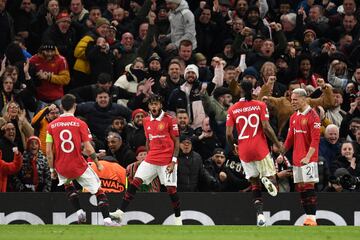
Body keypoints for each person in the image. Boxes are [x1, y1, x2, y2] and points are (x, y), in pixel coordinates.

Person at [46, 94, 119, 226]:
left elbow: (49, 152)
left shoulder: (51, 126)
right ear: (75, 106)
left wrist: (52, 170)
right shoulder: (80, 124)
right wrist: (97, 163)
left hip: (61, 165)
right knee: (98, 190)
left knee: (68, 185)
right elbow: (88, 148)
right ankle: (107, 220)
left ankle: (79, 211)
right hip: (78, 164)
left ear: (61, 107)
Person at [110, 94, 182, 225]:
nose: (154, 106)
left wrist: (173, 161)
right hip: (151, 159)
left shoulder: (170, 120)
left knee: (171, 190)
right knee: (135, 182)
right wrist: (149, 156)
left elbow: (177, 142)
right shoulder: (146, 120)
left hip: (167, 161)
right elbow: (148, 140)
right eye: (151, 104)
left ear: (160, 105)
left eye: (156, 104)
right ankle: (120, 213)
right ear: (148, 106)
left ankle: (178, 219)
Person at [226, 80, 283, 226]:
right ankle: (267, 179)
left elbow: (228, 134)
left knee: (254, 183)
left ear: (241, 91)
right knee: (274, 184)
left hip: (244, 150)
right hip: (259, 148)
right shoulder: (260, 105)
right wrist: (277, 144)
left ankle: (260, 216)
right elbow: (266, 127)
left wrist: (234, 145)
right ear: (252, 90)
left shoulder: (232, 109)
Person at [281, 88, 321, 226]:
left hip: (309, 159)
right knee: (302, 188)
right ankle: (308, 217)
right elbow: (289, 139)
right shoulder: (294, 117)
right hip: (297, 159)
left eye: (295, 99)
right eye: (291, 100)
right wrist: (281, 154)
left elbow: (316, 140)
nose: (292, 102)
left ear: (304, 99)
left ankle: (312, 218)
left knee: (309, 187)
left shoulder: (313, 116)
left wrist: (308, 157)